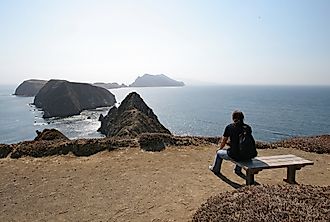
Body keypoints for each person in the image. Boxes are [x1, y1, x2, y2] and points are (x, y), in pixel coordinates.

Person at [209, 110, 254, 175]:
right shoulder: (248, 128)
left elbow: (224, 140)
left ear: (233, 118)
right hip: (248, 155)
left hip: (235, 155)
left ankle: (215, 169)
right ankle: (237, 170)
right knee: (241, 150)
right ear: (242, 118)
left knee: (219, 153)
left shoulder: (229, 127)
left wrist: (220, 148)